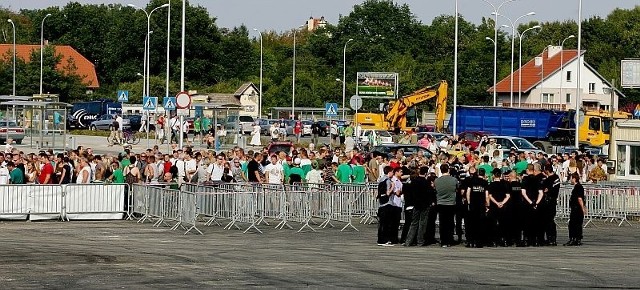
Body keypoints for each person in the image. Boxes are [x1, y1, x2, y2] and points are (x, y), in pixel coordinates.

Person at [404, 167, 435, 247]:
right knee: (422, 223)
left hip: (416, 204)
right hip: (424, 205)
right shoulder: (426, 182)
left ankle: (408, 241)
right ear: (425, 173)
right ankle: (420, 241)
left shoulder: (414, 181)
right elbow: (430, 193)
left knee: (414, 223)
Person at [435, 163, 458, 247]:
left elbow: (436, 190)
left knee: (442, 222)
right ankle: (449, 240)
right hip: (451, 203)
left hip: (441, 203)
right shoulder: (454, 180)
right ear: (448, 169)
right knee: (450, 222)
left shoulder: (437, 180)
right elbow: (457, 188)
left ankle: (443, 240)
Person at [466, 167, 489, 248]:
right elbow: (486, 195)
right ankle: (479, 242)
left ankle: (471, 241)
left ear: (478, 173)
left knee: (472, 223)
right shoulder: (485, 182)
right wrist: (487, 205)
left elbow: (468, 192)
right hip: (481, 205)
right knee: (480, 224)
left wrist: (468, 202)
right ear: (484, 174)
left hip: (473, 204)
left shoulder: (472, 181)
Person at [565, 172, 586, 246]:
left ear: (574, 179)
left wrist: (583, 208)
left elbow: (579, 198)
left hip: (577, 208)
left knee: (574, 224)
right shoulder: (577, 187)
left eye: (571, 179)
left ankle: (574, 238)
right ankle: (577, 238)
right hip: (576, 208)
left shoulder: (578, 187)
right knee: (576, 224)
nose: (570, 180)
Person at [542, 164, 561, 246]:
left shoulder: (551, 179)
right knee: (549, 220)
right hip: (551, 201)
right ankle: (551, 238)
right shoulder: (555, 178)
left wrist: (547, 190)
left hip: (549, 201)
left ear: (546, 170)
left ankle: (551, 238)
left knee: (549, 221)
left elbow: (547, 190)